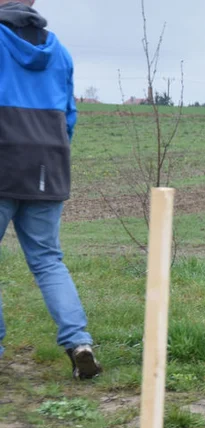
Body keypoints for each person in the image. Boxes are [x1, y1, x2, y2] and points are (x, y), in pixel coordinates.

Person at [0, 0, 101, 379]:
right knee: (47, 260)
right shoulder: (58, 49)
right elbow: (68, 115)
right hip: (48, 163)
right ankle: (79, 342)